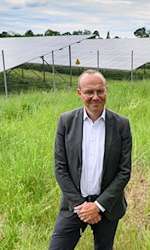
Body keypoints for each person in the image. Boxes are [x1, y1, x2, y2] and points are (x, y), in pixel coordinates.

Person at [49, 69, 132, 250]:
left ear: (106, 90)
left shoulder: (121, 125)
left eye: (100, 91)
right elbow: (60, 168)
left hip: (107, 207)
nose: (95, 97)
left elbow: (124, 171)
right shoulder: (66, 122)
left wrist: (98, 205)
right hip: (74, 205)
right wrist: (82, 206)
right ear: (80, 93)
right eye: (89, 92)